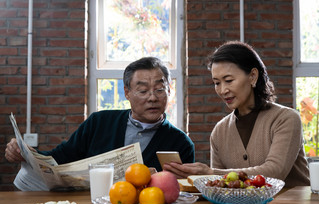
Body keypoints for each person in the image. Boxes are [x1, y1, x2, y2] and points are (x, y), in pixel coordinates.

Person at [5, 57, 195, 172]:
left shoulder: (181, 144)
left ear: (169, 91)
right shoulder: (99, 122)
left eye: (160, 89)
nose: (152, 98)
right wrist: (27, 154)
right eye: (143, 91)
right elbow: (59, 158)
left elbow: (182, 193)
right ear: (127, 93)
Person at [163, 41, 309, 187]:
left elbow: (275, 172)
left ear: (252, 76)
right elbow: (221, 188)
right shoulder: (219, 132)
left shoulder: (286, 119)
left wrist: (211, 173)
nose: (222, 90)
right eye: (217, 83)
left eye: (228, 80)